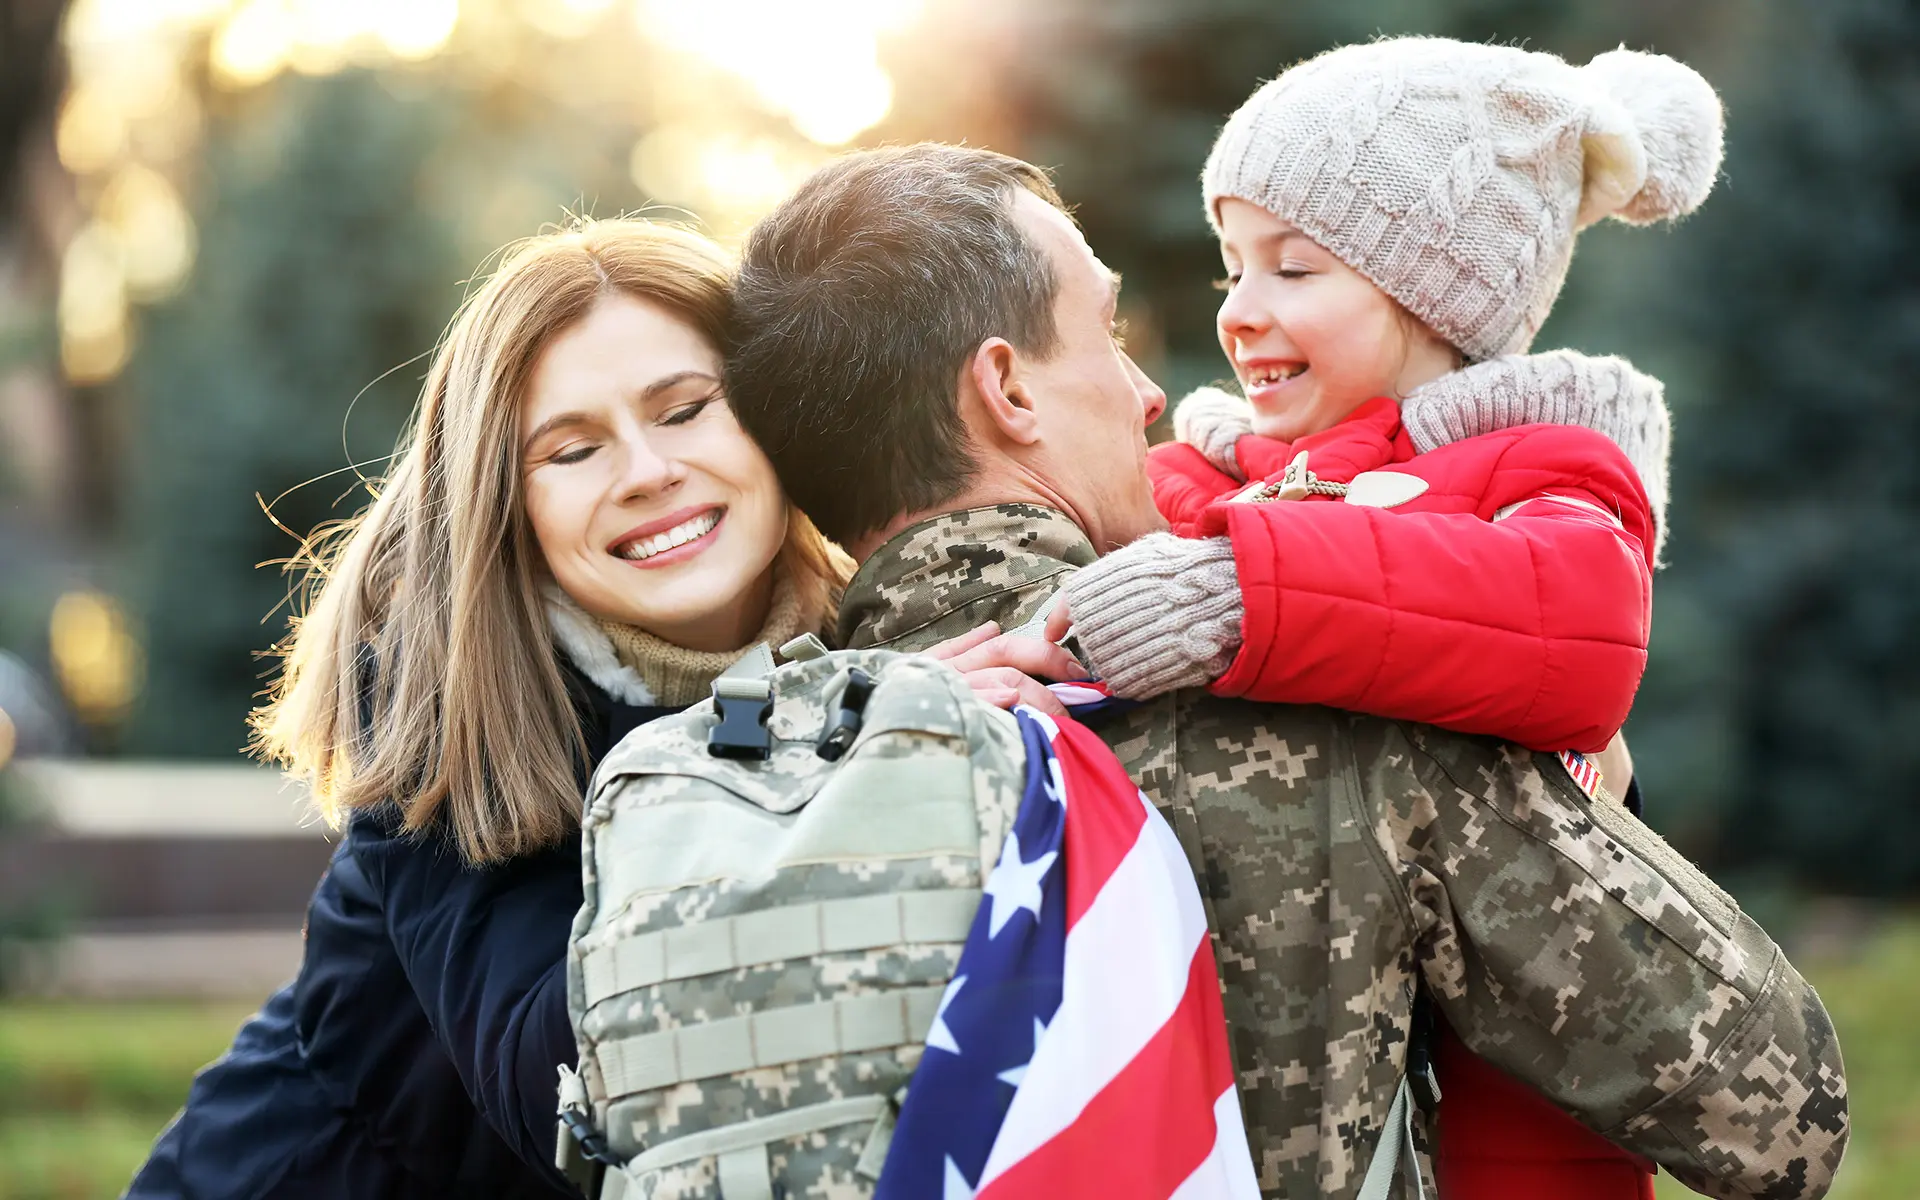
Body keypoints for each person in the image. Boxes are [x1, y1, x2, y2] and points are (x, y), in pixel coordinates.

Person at [723, 142, 1848, 1199]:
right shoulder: (1323, 698)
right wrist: (1589, 776)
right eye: (1107, 334)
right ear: (1008, 391)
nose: (1148, 392)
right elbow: (1781, 1115)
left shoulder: (745, 757)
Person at [127, 218, 1070, 1199]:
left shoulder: (864, 646)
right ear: (506, 501)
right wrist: (846, 744)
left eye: (687, 409)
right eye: (572, 451)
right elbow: (569, 1082)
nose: (646, 472)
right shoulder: (442, 707)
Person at [1040, 39, 1722, 1197]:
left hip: (1487, 1130)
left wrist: (1234, 594)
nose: (1242, 314)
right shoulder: (1192, 481)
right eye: (1230, 270)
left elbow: (1577, 624)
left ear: (1436, 285)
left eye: (1293, 270)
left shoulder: (1546, 471)